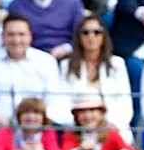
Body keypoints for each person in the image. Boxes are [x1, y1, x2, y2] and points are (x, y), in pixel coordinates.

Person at [0, 13, 69, 126]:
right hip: (0, 128)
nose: (16, 40)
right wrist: (7, 129)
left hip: (41, 127)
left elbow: (54, 101)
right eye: (11, 35)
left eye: (21, 34)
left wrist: (38, 125)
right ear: (2, 36)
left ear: (30, 36)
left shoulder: (46, 61)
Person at [57, 13, 133, 141]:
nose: (91, 36)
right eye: (85, 32)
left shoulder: (117, 64)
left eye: (97, 32)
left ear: (104, 36)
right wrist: (79, 124)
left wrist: (109, 125)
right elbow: (61, 102)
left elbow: (125, 103)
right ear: (79, 37)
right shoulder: (66, 66)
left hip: (111, 126)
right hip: (78, 128)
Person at [59, 95, 140, 150]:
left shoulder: (111, 134)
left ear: (101, 113)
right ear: (76, 115)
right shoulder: (70, 134)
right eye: (82, 112)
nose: (88, 116)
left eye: (92, 110)